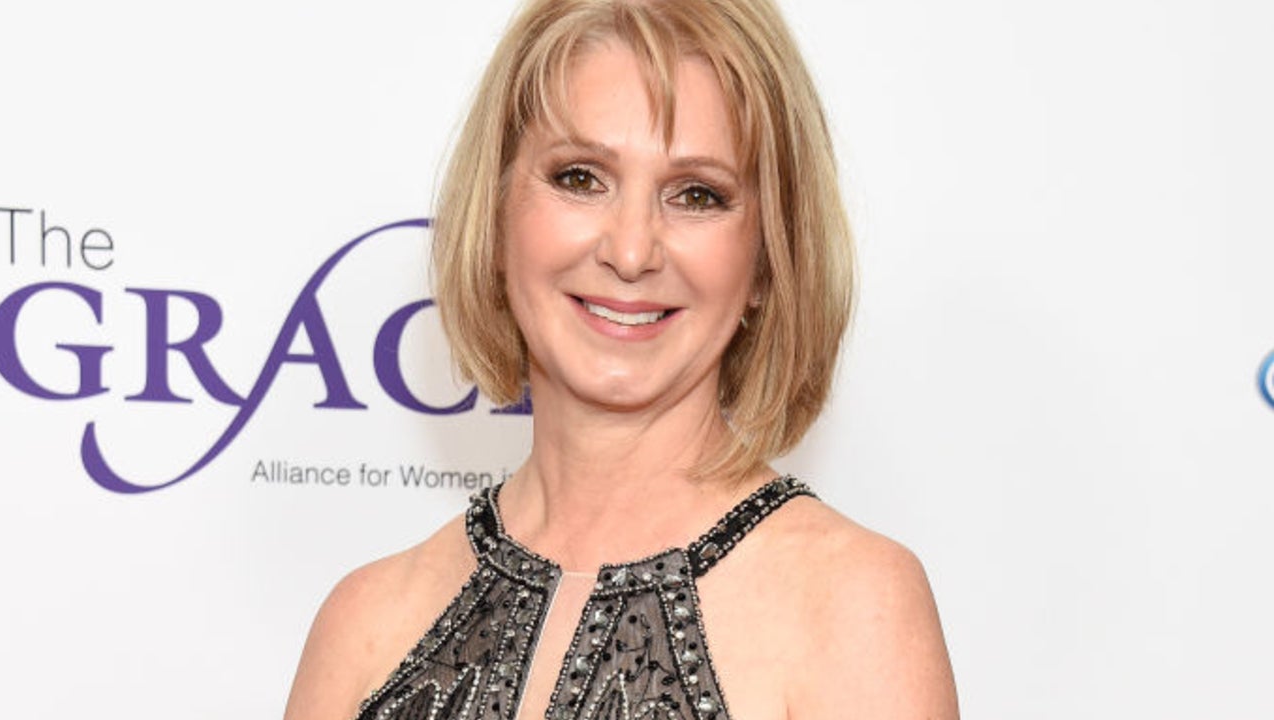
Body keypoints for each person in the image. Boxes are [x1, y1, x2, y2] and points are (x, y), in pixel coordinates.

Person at [284, 0, 958, 718]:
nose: (632, 251)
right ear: (497, 212)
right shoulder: (364, 624)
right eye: (580, 178)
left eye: (697, 195)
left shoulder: (852, 606)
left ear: (768, 259)